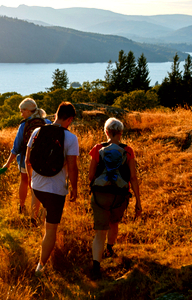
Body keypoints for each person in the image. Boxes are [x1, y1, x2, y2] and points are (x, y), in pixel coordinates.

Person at [25, 101, 79, 275]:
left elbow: (28, 160)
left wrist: (32, 180)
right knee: (50, 230)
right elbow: (72, 167)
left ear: (56, 114)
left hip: (37, 186)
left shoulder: (37, 131)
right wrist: (75, 189)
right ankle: (41, 266)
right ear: (69, 119)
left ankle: (42, 256)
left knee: (45, 219)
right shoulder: (70, 138)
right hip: (55, 190)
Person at [88, 117, 142, 280]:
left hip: (100, 194)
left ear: (106, 132)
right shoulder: (128, 150)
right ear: (120, 133)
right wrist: (138, 201)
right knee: (114, 223)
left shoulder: (97, 149)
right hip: (120, 195)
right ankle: (110, 249)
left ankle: (96, 266)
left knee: (99, 232)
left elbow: (91, 175)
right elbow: (133, 177)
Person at [3, 98, 51, 218]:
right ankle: (40, 210)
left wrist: (8, 163)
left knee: (24, 181)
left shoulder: (24, 125)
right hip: (44, 161)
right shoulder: (47, 122)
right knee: (41, 184)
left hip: (26, 159)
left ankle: (22, 206)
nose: (21, 114)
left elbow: (16, 147)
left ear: (29, 111)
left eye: (22, 111)